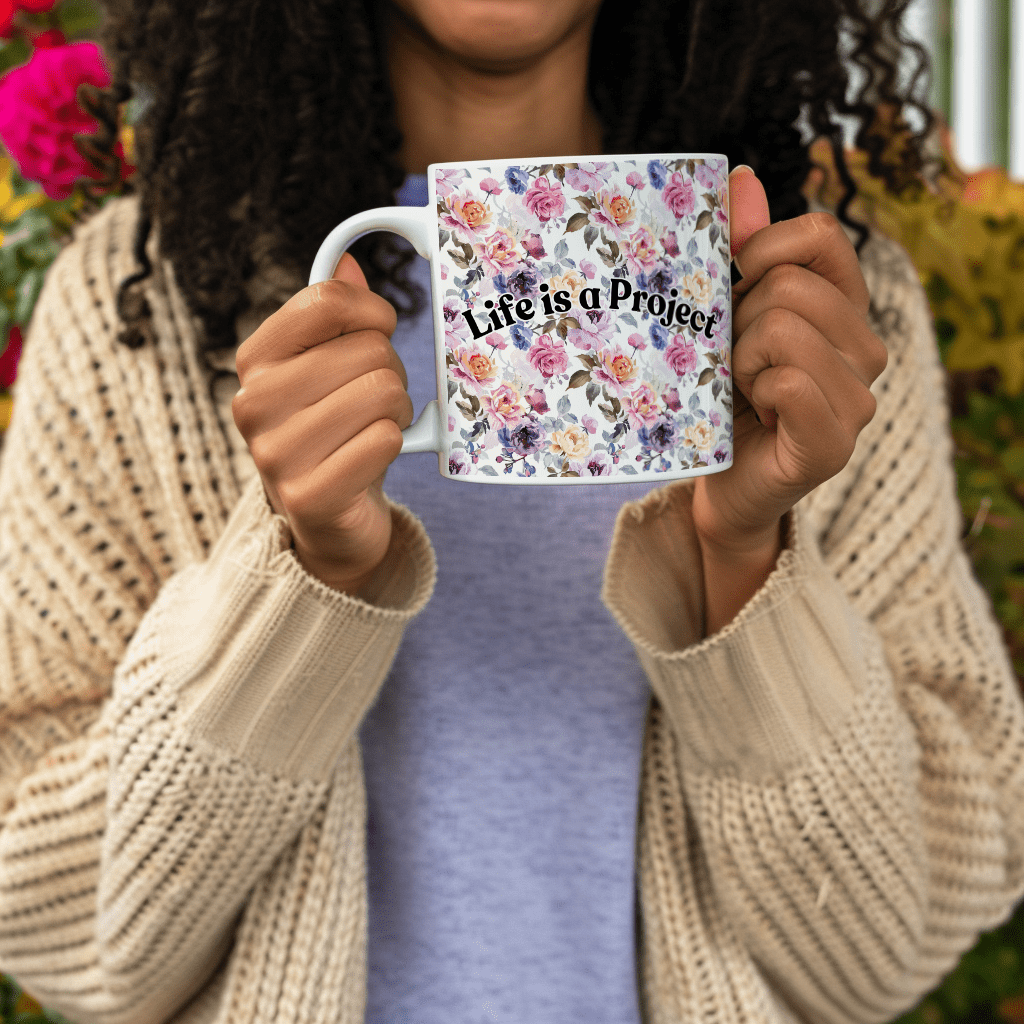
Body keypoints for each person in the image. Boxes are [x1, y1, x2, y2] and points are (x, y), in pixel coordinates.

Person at [0, 0, 1022, 1022]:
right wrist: (300, 582)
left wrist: (741, 560)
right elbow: (63, 929)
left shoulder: (815, 319)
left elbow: (873, 963)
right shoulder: (143, 305)